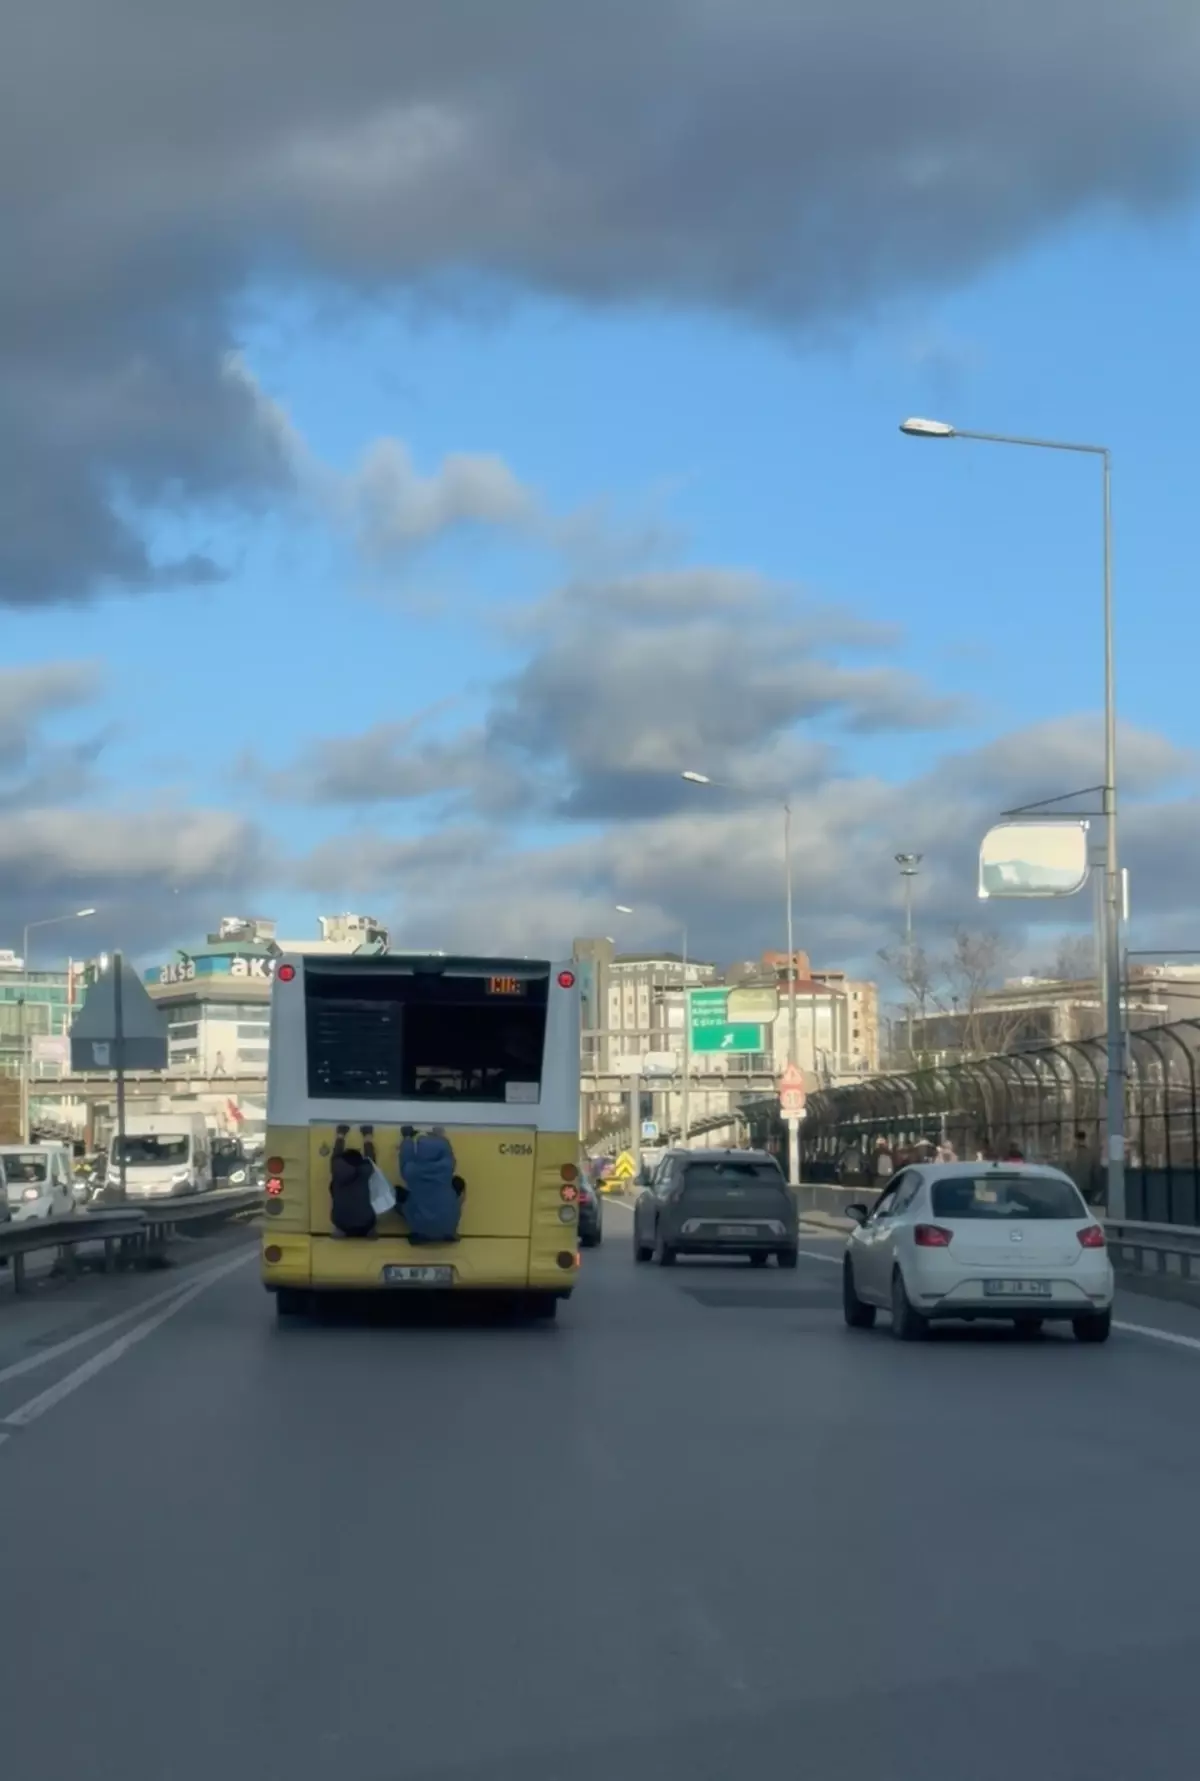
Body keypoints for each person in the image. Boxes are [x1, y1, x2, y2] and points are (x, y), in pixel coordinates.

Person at [397, 1124, 465, 1244]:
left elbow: (405, 1154)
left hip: (420, 1227)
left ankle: (422, 1231)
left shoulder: (411, 1170)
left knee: (397, 1193)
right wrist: (440, 1136)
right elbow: (447, 1151)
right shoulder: (448, 1166)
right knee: (458, 1183)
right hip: (448, 1226)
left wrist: (407, 1136)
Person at [329, 1124, 377, 1238]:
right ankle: (370, 1231)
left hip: (342, 1224)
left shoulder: (337, 1168)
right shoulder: (367, 1170)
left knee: (332, 1186)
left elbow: (336, 1155)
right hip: (366, 1224)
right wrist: (367, 1137)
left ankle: (340, 1231)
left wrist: (340, 1135)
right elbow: (370, 1158)